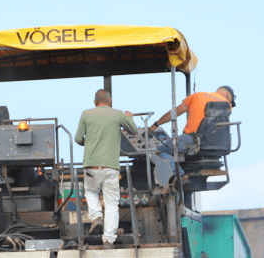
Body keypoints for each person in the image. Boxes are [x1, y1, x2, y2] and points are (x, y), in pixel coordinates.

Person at [75, 89, 137, 249]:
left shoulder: (86, 114)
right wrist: (129, 117)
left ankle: (96, 217)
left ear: (95, 102)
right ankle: (108, 240)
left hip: (91, 165)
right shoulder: (117, 114)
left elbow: (77, 138)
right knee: (111, 204)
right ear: (109, 101)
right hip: (111, 167)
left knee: (90, 192)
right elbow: (133, 130)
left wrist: (88, 143)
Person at [149, 86, 236, 155]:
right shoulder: (227, 106)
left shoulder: (197, 96)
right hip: (217, 143)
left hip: (193, 140)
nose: (230, 103)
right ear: (227, 94)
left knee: (159, 152)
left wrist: (156, 124)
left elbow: (175, 113)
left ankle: (179, 174)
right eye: (231, 100)